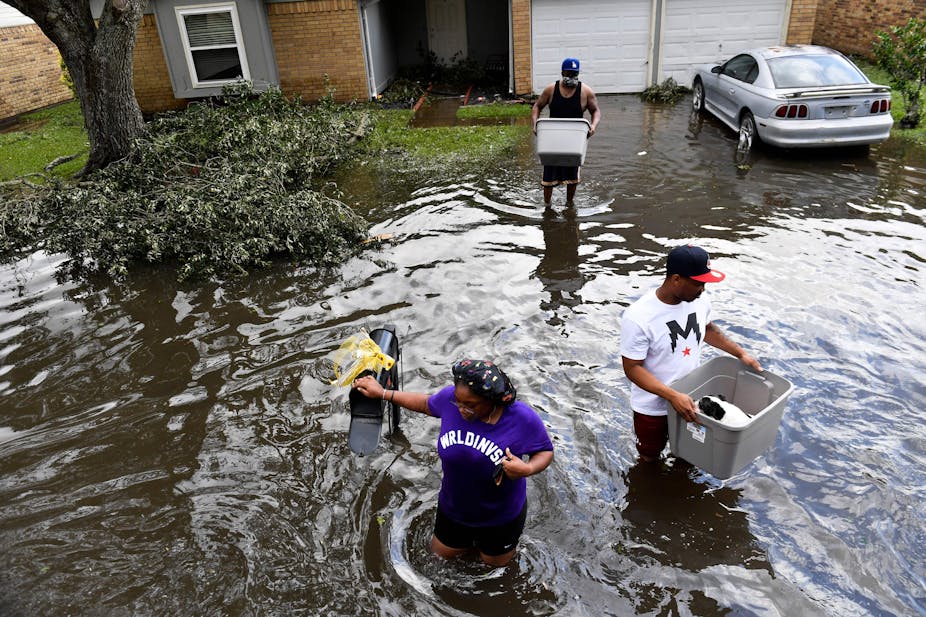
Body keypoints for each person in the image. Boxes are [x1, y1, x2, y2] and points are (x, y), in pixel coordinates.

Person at [352, 359, 554, 567]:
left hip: (500, 519)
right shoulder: (452, 401)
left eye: (471, 405)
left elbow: (545, 451)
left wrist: (527, 469)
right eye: (459, 401)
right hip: (454, 510)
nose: (461, 409)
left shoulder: (521, 418)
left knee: (492, 572)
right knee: (438, 560)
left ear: (492, 401)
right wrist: (384, 393)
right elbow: (425, 403)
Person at [619, 245, 763, 462]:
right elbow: (632, 368)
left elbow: (707, 329)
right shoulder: (639, 317)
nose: (703, 289)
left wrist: (740, 354)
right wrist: (672, 396)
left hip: (690, 399)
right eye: (698, 283)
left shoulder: (698, 300)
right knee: (649, 458)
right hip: (652, 407)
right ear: (676, 279)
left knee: (690, 455)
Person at [531, 57, 601, 204]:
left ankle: (569, 204)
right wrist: (535, 124)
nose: (571, 77)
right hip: (552, 139)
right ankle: (547, 205)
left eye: (574, 74)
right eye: (568, 73)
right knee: (548, 176)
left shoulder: (586, 92)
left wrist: (593, 126)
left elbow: (596, 111)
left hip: (574, 141)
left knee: (572, 177)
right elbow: (537, 106)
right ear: (562, 72)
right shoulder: (551, 89)